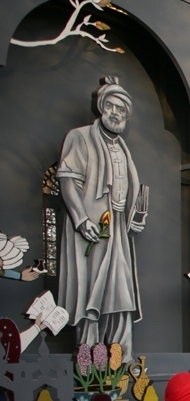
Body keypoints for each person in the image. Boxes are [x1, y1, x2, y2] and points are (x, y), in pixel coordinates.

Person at [57, 76, 149, 359]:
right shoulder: (80, 136)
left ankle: (121, 361)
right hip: (93, 231)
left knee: (121, 295)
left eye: (122, 109)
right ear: (101, 107)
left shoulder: (123, 148)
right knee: (91, 296)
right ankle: (88, 361)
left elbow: (130, 190)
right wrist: (82, 219)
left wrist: (136, 215)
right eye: (110, 106)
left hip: (119, 230)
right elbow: (68, 180)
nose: (116, 113)